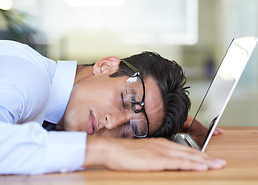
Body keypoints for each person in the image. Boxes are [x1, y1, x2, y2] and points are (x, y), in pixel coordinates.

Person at [0, 40, 226, 175]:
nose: (112, 123)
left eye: (131, 129)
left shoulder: (55, 112)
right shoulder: (28, 78)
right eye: (125, 101)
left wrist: (156, 120)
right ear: (105, 66)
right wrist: (106, 150)